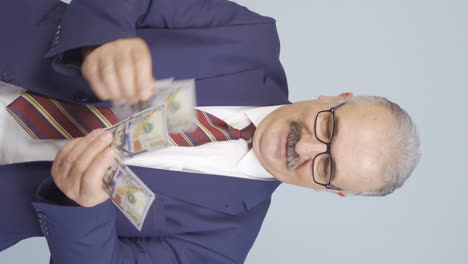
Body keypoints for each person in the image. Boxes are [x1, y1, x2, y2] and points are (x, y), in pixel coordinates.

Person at [0, 0, 421, 263]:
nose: (306, 145)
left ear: (330, 191)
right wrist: (106, 39)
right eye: (328, 126)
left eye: (326, 166)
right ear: (334, 96)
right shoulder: (246, 37)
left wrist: (85, 209)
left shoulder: (221, 245)